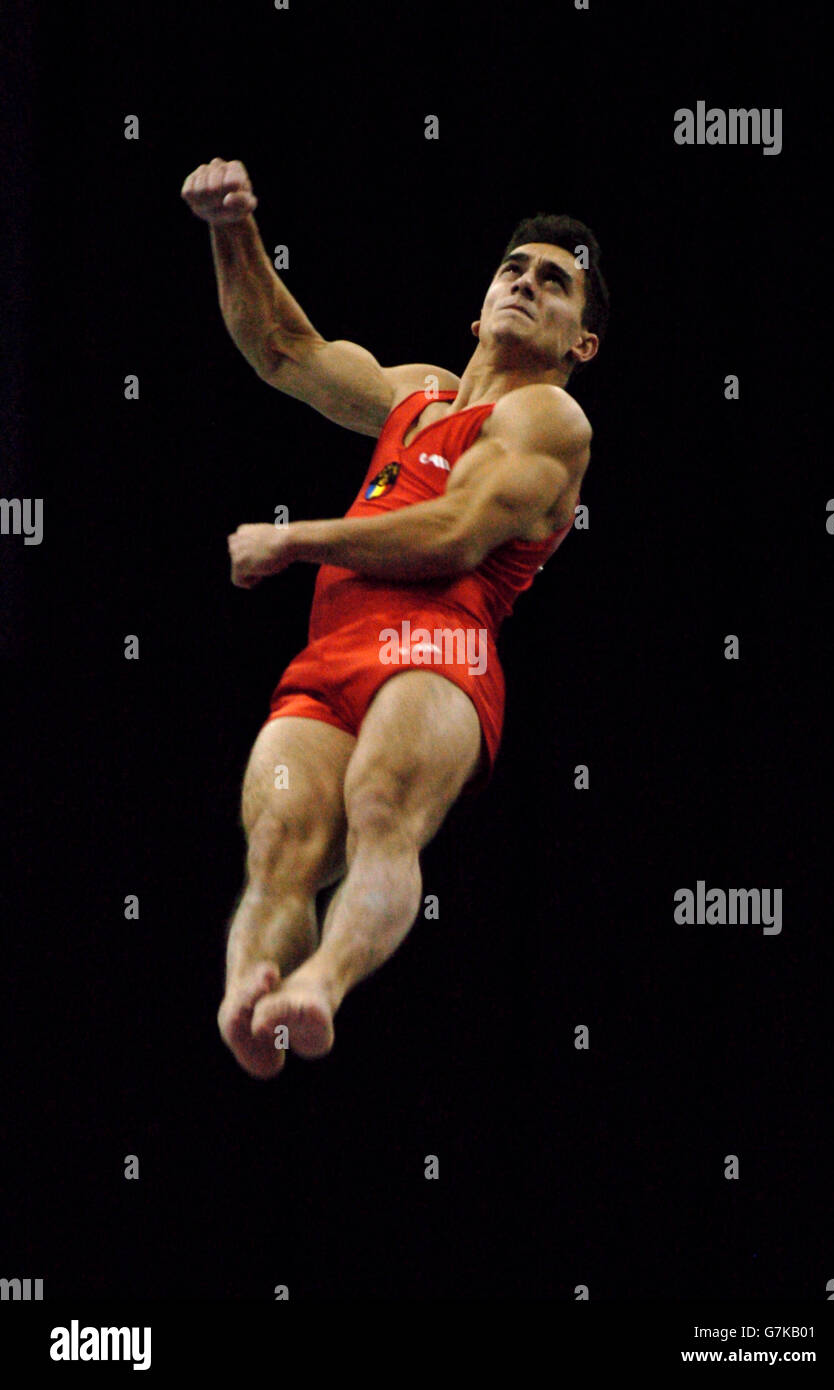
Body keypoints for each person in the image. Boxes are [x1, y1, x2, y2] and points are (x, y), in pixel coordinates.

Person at [180, 158, 609, 1076]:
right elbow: (284, 352)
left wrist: (299, 541)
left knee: (380, 806)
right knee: (282, 842)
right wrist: (232, 227)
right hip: (332, 651)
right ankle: (249, 993)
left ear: (584, 344)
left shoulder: (551, 421)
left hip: (439, 647)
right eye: (514, 270)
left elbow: (456, 534)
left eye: (555, 282)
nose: (526, 284)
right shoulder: (416, 393)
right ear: (478, 308)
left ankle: (321, 985)